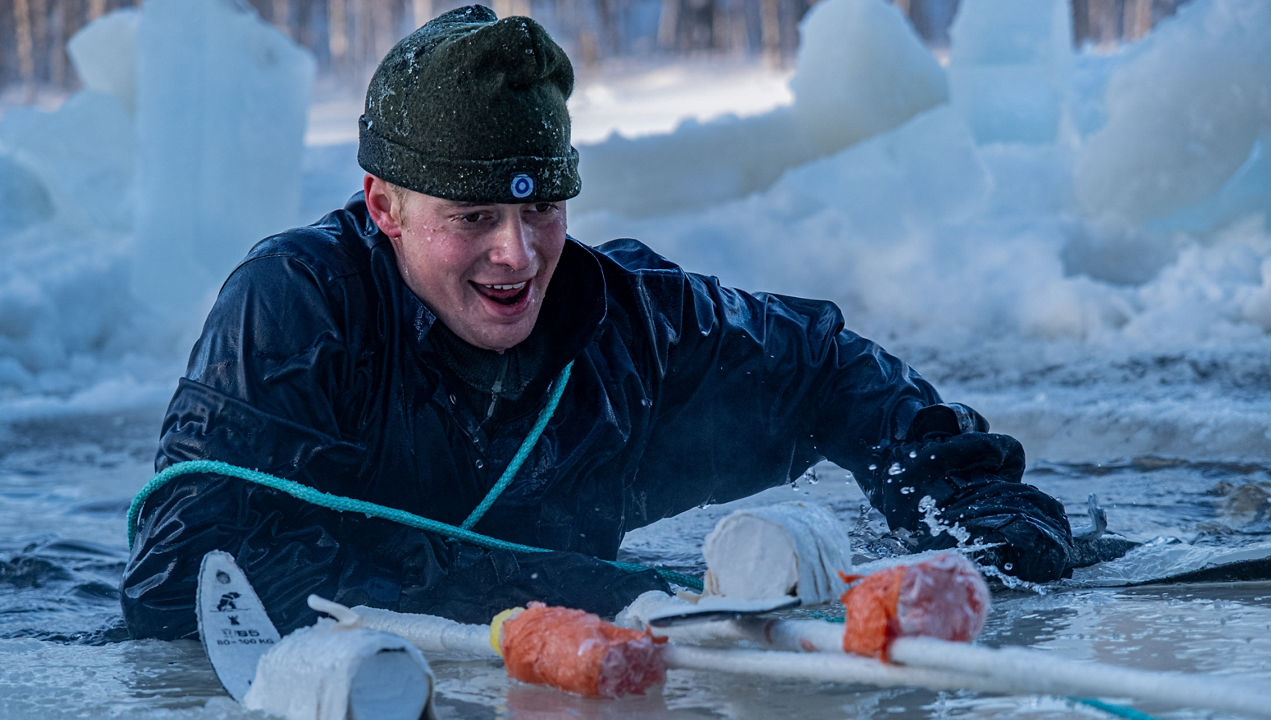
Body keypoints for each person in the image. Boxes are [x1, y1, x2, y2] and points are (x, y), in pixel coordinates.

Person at [121, 5, 1072, 640]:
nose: (518, 256)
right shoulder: (293, 306)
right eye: (473, 218)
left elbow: (830, 370)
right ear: (383, 206)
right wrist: (563, 593)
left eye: (540, 211)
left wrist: (967, 506)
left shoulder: (630, 328)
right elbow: (178, 578)